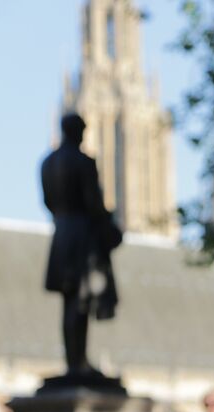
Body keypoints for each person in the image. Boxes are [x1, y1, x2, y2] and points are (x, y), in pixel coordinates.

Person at [41, 112, 121, 377]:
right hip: (81, 236)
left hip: (61, 233)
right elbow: (94, 203)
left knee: (69, 301)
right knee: (80, 302)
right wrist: (110, 228)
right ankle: (79, 363)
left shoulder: (47, 163)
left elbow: (48, 202)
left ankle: (73, 361)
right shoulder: (83, 162)